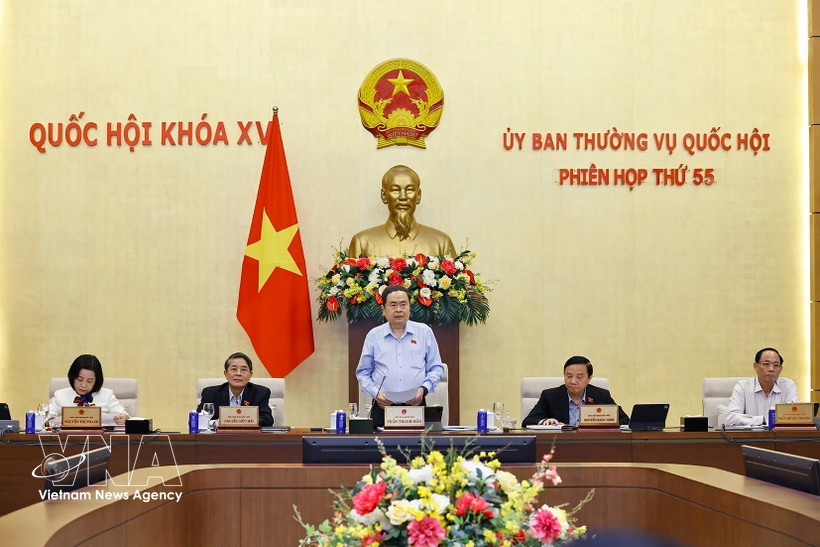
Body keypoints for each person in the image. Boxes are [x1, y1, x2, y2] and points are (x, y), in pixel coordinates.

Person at [355, 285, 445, 428]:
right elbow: (363, 372)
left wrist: (423, 390)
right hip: (382, 407)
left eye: (403, 304)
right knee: (380, 449)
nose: (398, 309)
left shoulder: (424, 332)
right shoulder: (374, 336)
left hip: (416, 406)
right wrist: (375, 393)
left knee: (418, 448)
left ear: (409, 307)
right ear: (383, 310)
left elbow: (436, 368)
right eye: (393, 305)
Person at [348, 165, 456, 258]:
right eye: (395, 190)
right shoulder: (362, 242)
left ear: (418, 196)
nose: (403, 197)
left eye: (409, 190)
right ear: (384, 196)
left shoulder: (441, 243)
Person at [522, 356, 629, 427]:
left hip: (593, 445)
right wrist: (545, 421)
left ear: (589, 378)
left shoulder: (601, 395)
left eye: (579, 377)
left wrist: (604, 423)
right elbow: (528, 421)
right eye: (569, 376)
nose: (573, 381)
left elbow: (625, 421)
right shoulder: (550, 396)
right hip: (561, 446)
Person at [725, 347, 798, 427]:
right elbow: (730, 419)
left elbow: (793, 417)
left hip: (779, 438)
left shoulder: (788, 386)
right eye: (766, 364)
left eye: (776, 365)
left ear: (780, 369)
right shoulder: (743, 387)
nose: (771, 369)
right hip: (750, 438)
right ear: (756, 366)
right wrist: (763, 420)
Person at [48, 354, 130, 425]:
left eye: (89, 381)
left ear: (96, 381)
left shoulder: (107, 395)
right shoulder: (60, 395)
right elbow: (46, 422)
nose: (83, 385)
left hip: (99, 441)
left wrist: (123, 418)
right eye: (80, 379)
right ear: (73, 377)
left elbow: (125, 417)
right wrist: (54, 421)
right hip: (67, 441)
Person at [197, 352, 273, 427]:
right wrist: (214, 423)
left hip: (249, 438)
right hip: (220, 438)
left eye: (243, 370)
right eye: (234, 369)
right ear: (225, 373)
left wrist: (239, 421)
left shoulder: (260, 393)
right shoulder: (210, 394)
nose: (238, 373)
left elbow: (267, 420)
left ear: (250, 375)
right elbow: (198, 420)